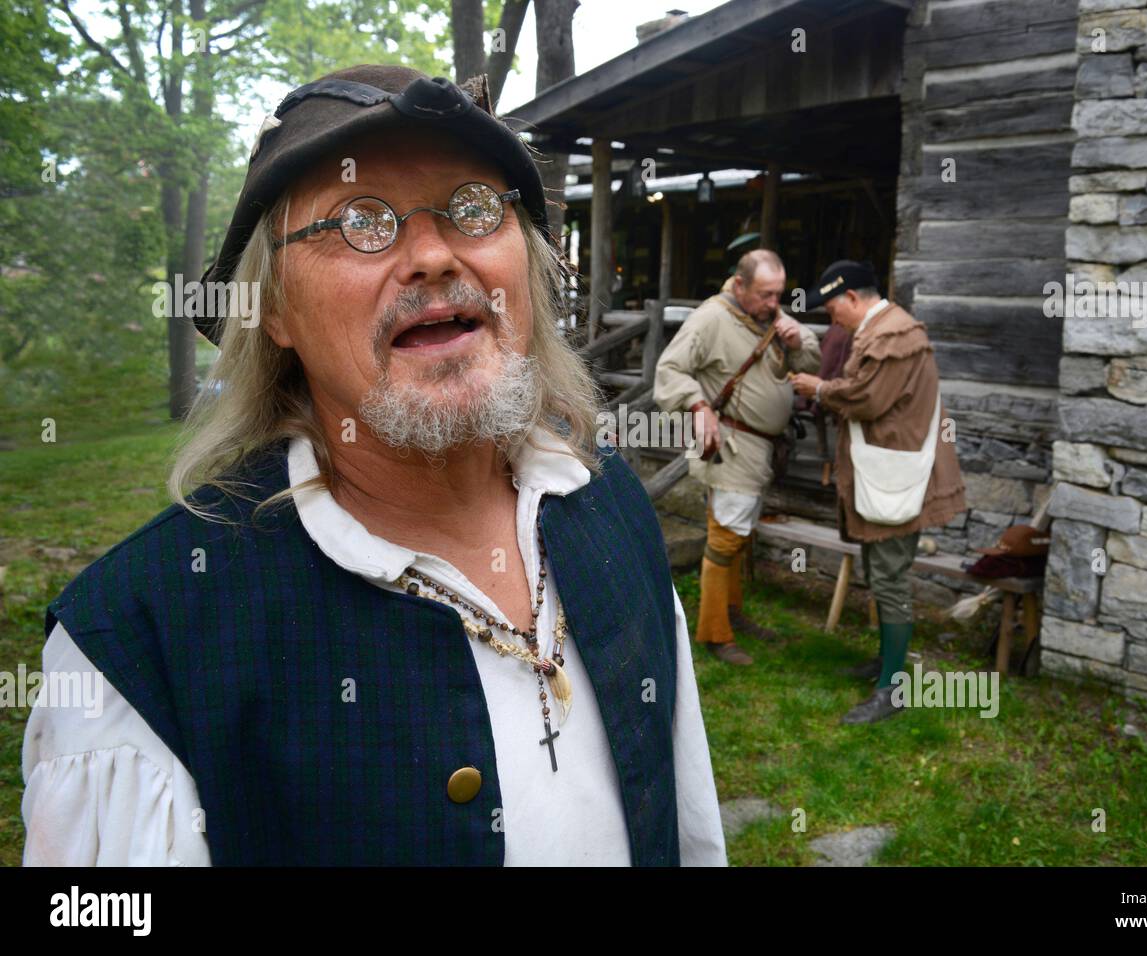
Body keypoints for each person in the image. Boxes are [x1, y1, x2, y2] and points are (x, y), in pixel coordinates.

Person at [21, 64, 726, 866]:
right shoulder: (139, 646)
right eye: (360, 220)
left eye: (472, 208)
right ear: (275, 308)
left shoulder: (612, 507)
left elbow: (688, 827)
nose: (431, 256)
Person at [791, 260, 966, 723]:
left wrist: (820, 387)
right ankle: (887, 665)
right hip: (888, 473)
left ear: (852, 298)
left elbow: (868, 398)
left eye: (832, 309)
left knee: (890, 580)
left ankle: (894, 687)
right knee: (881, 572)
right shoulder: (885, 330)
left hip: (897, 477)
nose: (833, 321)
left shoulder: (893, 334)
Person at [654, 251, 821, 665]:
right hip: (732, 445)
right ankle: (714, 633)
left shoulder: (771, 317)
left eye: (778, 294)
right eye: (765, 294)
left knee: (738, 534)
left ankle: (731, 613)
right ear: (740, 285)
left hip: (761, 448)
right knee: (726, 536)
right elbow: (670, 370)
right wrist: (698, 406)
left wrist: (800, 342)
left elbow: (809, 360)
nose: (773, 302)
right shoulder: (711, 318)